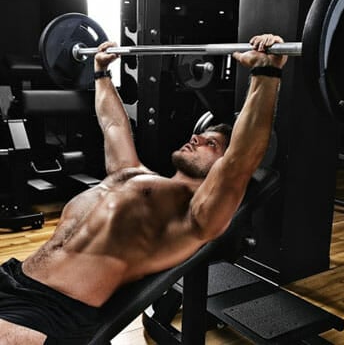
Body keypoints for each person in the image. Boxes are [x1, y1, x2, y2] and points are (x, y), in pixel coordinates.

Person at [0, 34, 287, 344]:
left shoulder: (195, 215)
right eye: (201, 135)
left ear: (220, 164)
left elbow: (241, 159)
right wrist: (100, 72)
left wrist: (266, 73)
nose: (197, 139)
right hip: (13, 277)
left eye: (210, 143)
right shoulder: (130, 173)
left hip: (52, 311)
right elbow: (112, 125)